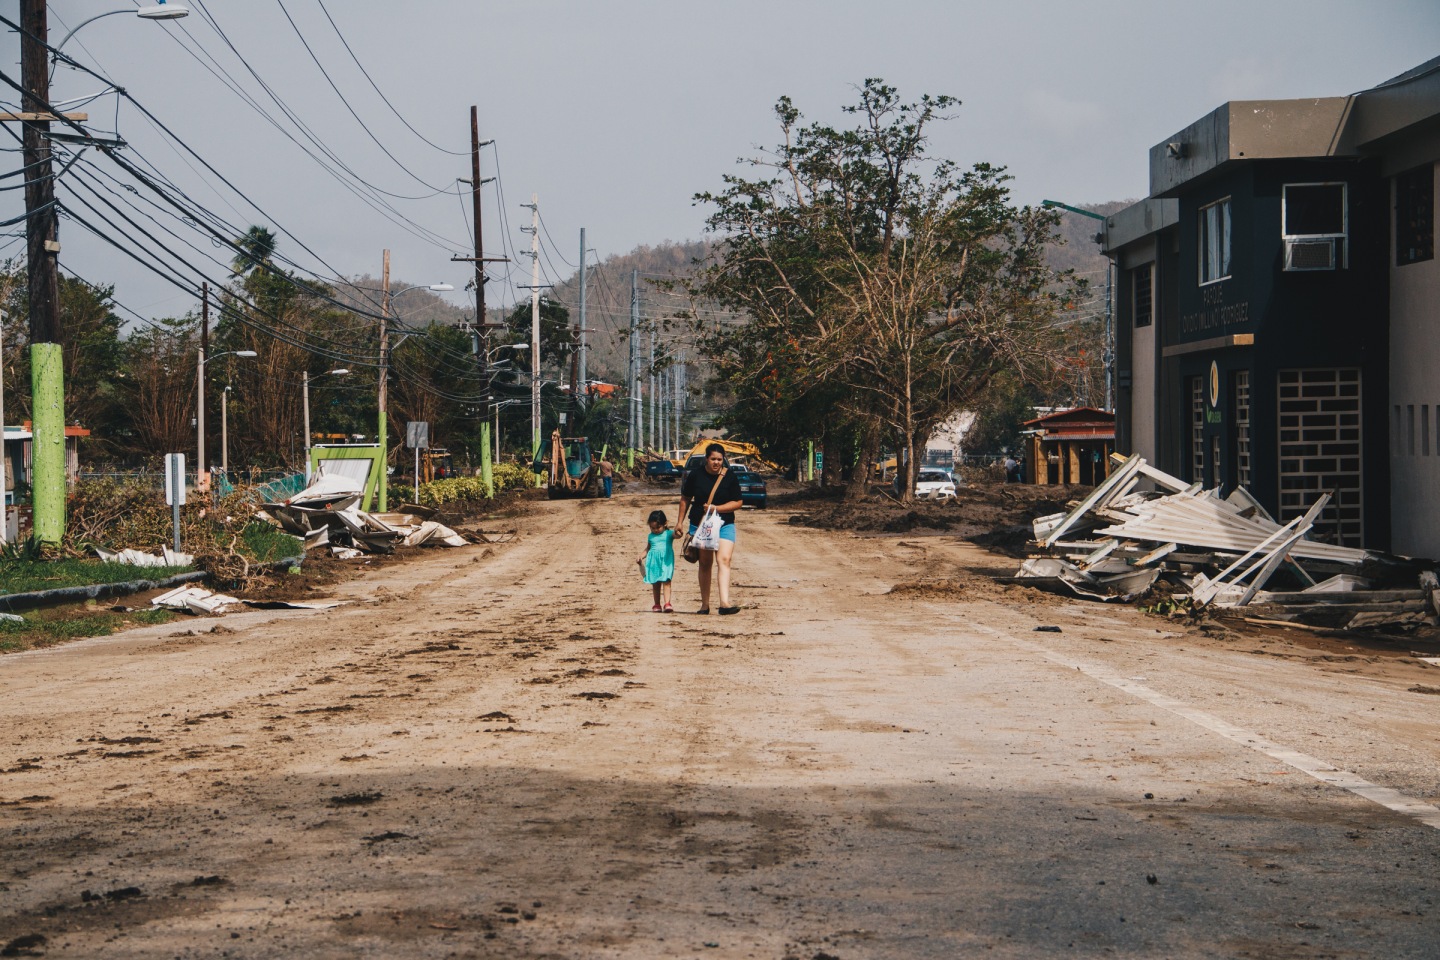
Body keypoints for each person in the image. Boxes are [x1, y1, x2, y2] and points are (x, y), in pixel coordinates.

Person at [678, 443, 744, 615]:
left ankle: (724, 603)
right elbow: (685, 498)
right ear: (706, 459)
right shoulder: (695, 475)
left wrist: (716, 508)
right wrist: (679, 522)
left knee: (724, 559)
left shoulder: (729, 476)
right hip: (701, 525)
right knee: (705, 563)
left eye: (720, 460)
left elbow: (738, 502)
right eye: (713, 459)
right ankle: (705, 605)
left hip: (724, 523)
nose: (716, 463)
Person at [637, 509, 680, 612]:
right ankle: (657, 604)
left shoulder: (668, 534)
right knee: (656, 583)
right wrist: (641, 556)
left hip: (666, 561)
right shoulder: (650, 536)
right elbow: (648, 548)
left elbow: (677, 535)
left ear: (665, 524)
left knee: (666, 581)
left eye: (658, 527)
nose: (655, 530)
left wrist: (679, 532)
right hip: (654, 562)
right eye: (652, 528)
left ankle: (667, 603)